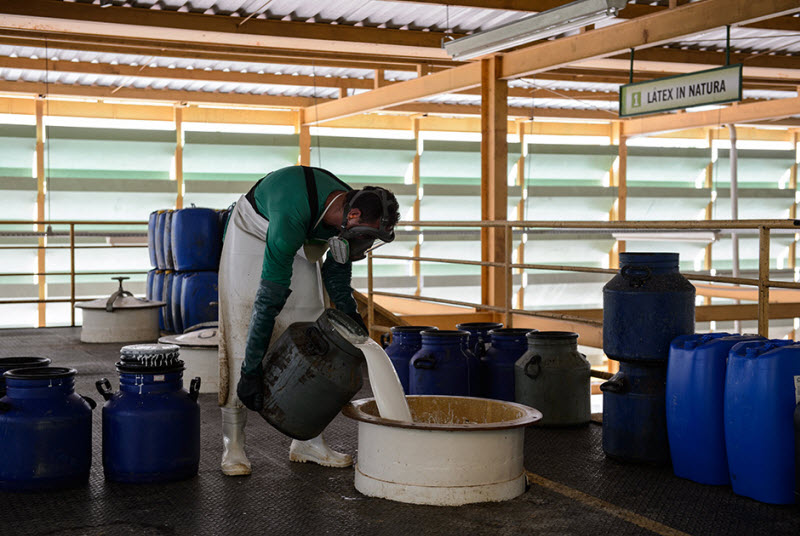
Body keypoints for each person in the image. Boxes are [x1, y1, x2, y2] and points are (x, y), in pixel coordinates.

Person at [217, 165, 400, 476]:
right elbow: (269, 301)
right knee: (242, 327)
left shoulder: (347, 215)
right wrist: (251, 371)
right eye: (367, 236)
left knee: (314, 329)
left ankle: (308, 441)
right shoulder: (293, 210)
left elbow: (338, 281)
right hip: (253, 233)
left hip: (302, 237)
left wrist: (356, 325)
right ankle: (232, 443)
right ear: (353, 217)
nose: (365, 244)